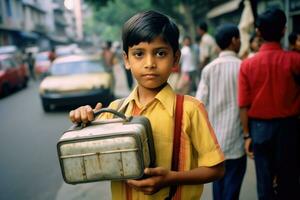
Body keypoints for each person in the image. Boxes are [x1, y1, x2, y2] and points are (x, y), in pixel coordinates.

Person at [69, 10, 225, 200]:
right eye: (139, 54)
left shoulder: (190, 109)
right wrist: (83, 119)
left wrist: (171, 178)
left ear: (175, 59)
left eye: (160, 53)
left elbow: (216, 170)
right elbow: (90, 159)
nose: (150, 63)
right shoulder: (114, 111)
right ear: (126, 60)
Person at [238, 8, 300, 200]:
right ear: (284, 30)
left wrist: (247, 135)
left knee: (264, 182)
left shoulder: (247, 65)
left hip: (260, 129)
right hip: (289, 128)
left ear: (258, 32)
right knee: (289, 181)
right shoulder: (295, 60)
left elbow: (243, 105)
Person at [196, 24, 246, 200]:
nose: (240, 42)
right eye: (239, 38)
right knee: (232, 187)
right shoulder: (243, 67)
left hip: (215, 140)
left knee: (218, 186)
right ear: (234, 41)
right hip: (237, 139)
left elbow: (199, 105)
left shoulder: (209, 69)